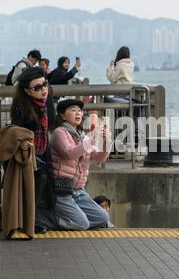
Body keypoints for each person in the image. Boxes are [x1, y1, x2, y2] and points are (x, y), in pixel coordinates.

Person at [36, 99, 113, 231]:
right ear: (63, 115)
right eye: (73, 110)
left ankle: (72, 218)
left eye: (80, 110)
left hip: (78, 191)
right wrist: (91, 140)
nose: (78, 113)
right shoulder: (59, 133)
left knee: (102, 218)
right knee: (82, 224)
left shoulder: (82, 136)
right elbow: (69, 153)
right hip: (60, 190)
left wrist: (107, 142)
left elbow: (99, 158)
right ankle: (39, 217)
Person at [10, 67, 56, 229]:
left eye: (44, 84)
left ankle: (32, 216)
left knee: (46, 178)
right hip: (23, 156)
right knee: (41, 177)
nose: (43, 90)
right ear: (27, 91)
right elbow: (16, 132)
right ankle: (31, 218)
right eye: (37, 88)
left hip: (42, 154)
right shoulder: (21, 107)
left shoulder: (47, 101)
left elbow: (50, 124)